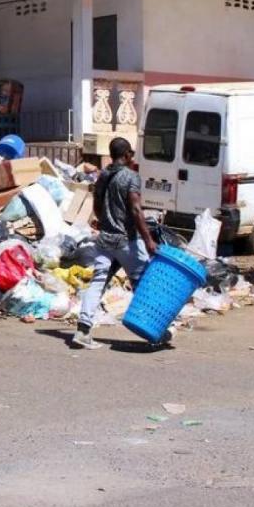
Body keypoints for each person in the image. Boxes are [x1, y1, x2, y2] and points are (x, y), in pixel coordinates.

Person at [71, 136, 157, 349]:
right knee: (143, 282)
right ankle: (155, 328)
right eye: (131, 155)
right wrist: (148, 240)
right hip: (126, 240)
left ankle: (83, 329)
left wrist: (106, 222)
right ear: (127, 155)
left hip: (105, 239)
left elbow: (98, 208)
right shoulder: (131, 177)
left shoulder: (103, 175)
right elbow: (136, 210)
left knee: (98, 281)